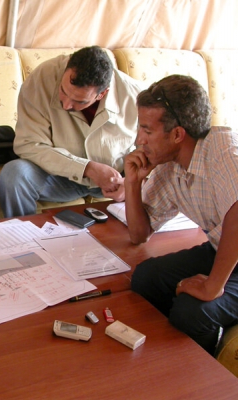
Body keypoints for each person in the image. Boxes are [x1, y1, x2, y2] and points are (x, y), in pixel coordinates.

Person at [123, 74, 238, 355]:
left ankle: (203, 377)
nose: (139, 140)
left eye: (147, 131)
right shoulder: (169, 165)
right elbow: (139, 234)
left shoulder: (223, 150)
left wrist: (213, 286)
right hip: (222, 248)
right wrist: (132, 183)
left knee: (192, 312)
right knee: (145, 277)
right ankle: (168, 354)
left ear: (177, 134)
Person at [0, 46, 143, 217]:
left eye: (80, 101)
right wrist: (87, 168)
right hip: (58, 178)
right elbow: (29, 144)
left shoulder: (136, 96)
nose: (66, 105)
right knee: (14, 175)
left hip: (115, 182)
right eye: (63, 91)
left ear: (102, 94)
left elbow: (153, 152)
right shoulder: (40, 80)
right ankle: (24, 239)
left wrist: (131, 185)